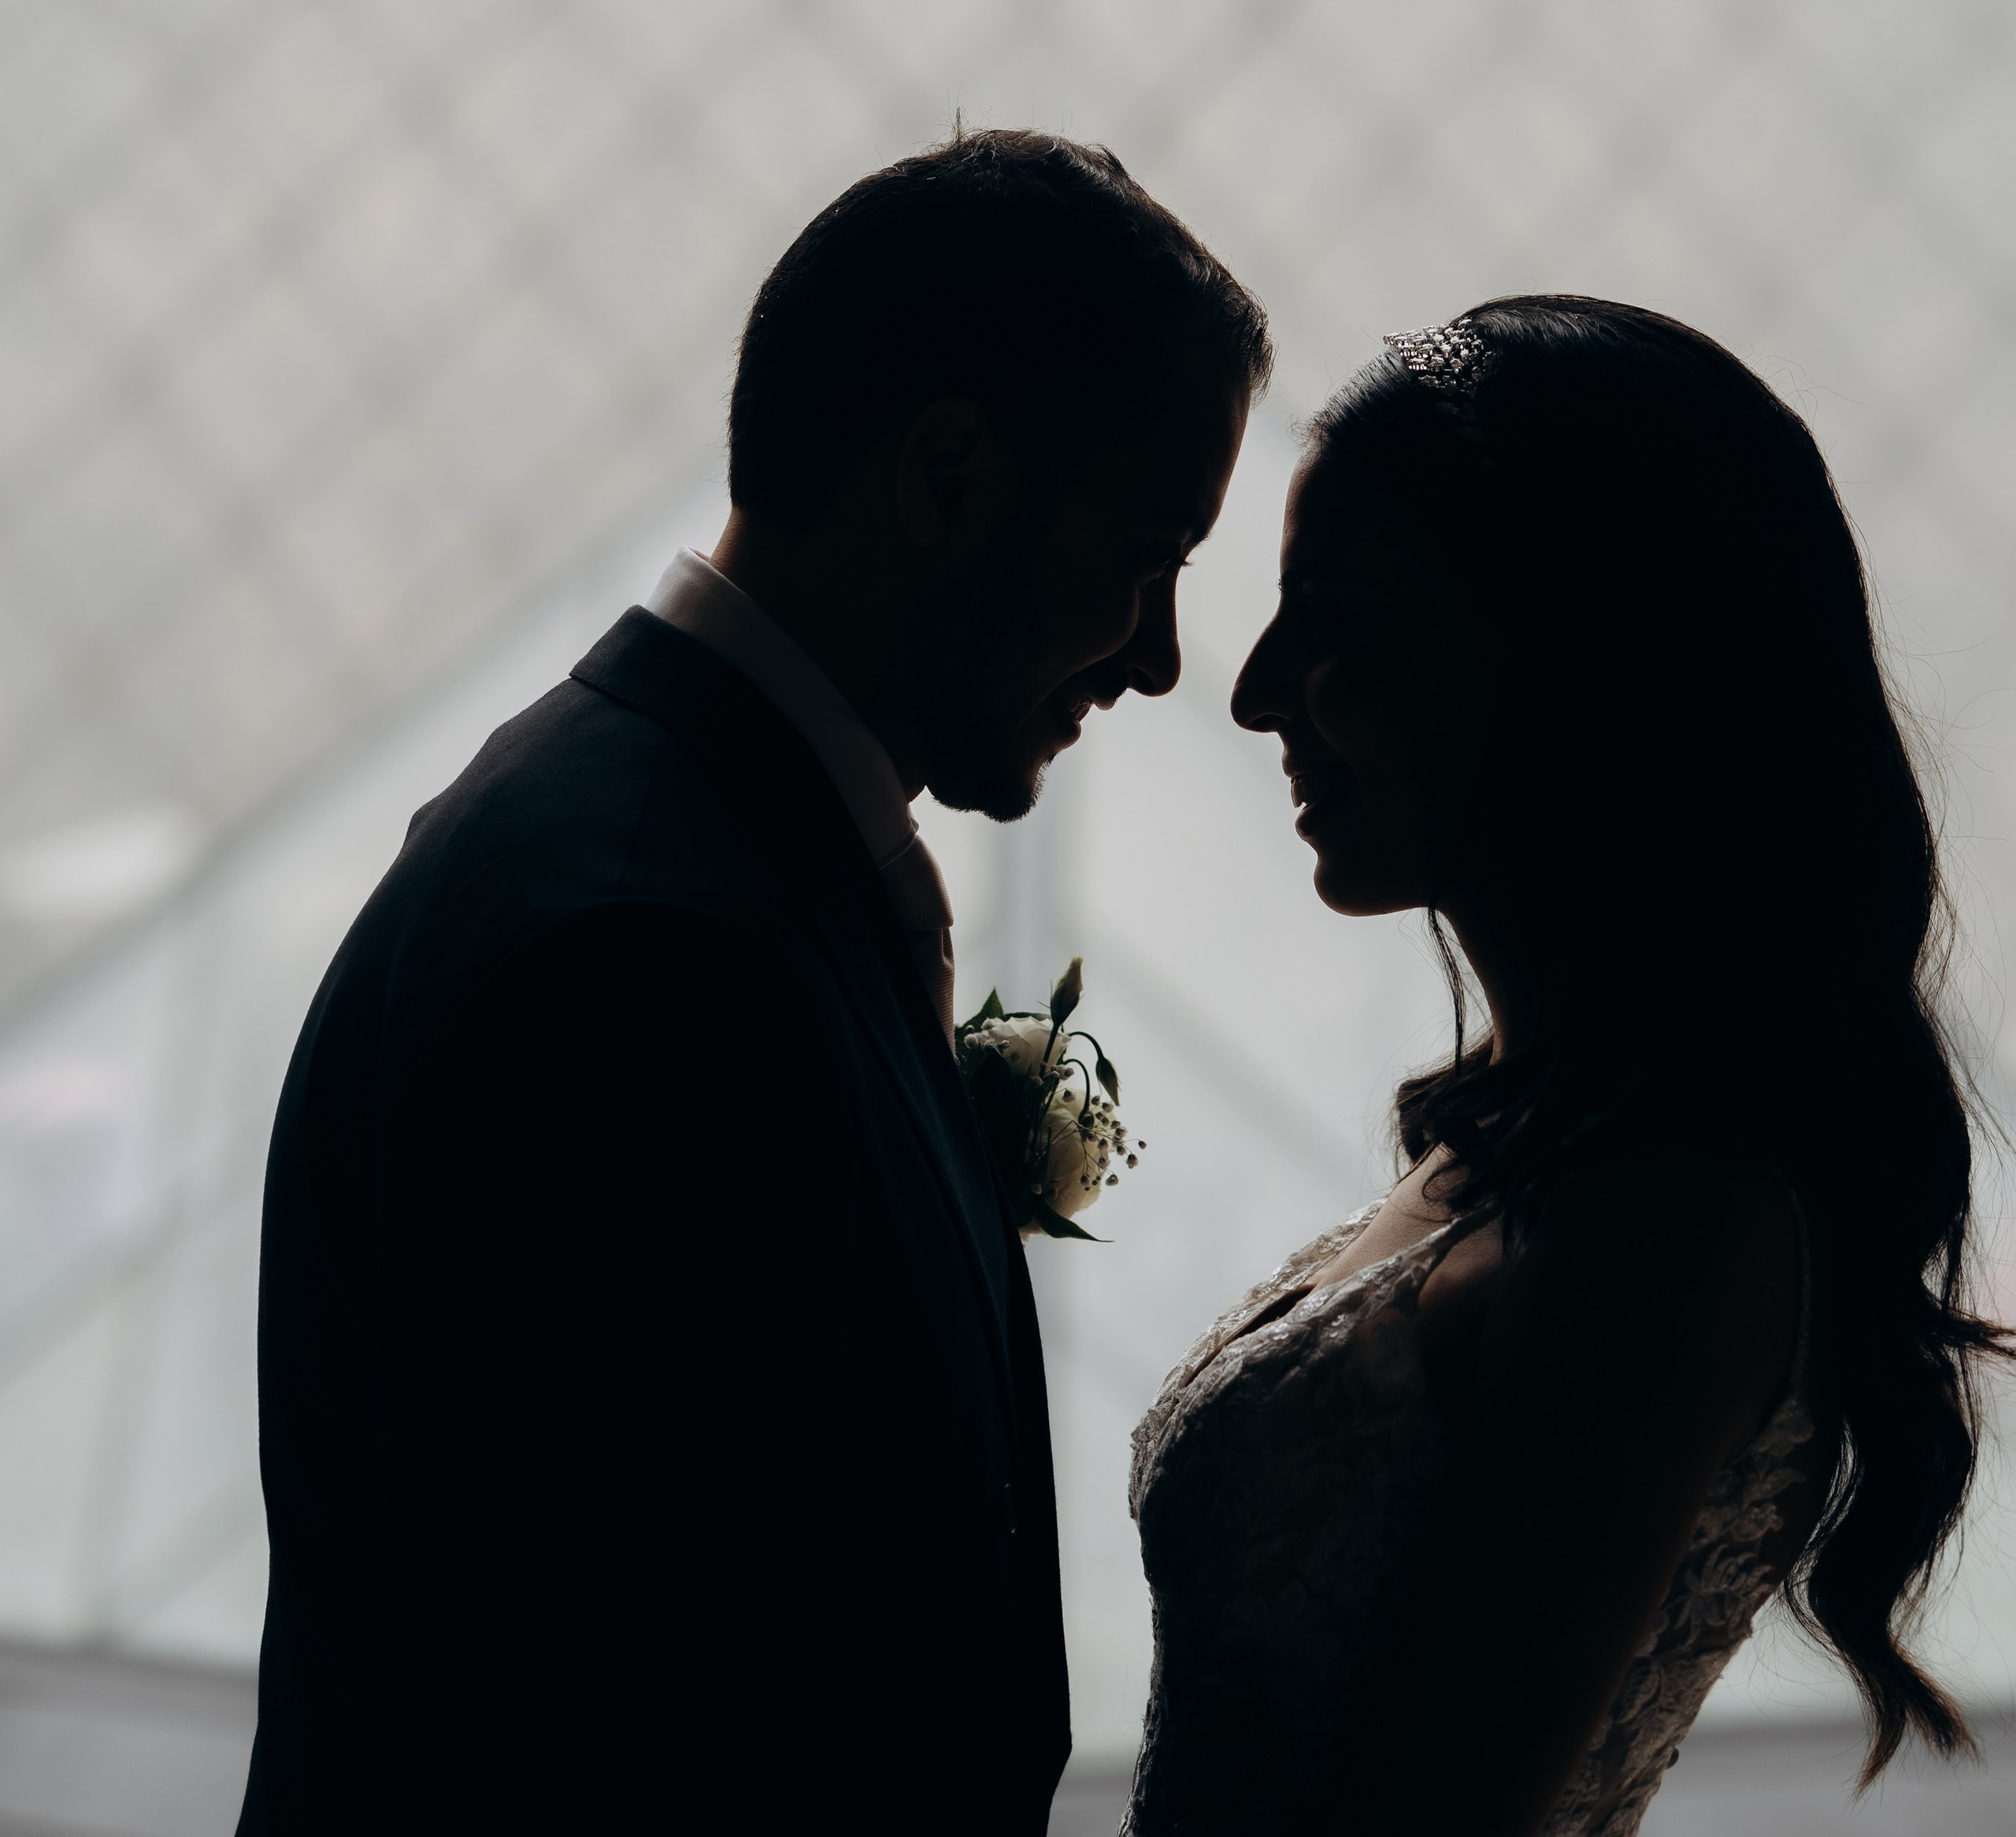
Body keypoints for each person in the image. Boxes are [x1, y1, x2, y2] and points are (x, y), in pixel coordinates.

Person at [236, 130, 1267, 1837]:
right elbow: (636, 1716)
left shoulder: (637, 840)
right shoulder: (650, 955)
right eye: (1149, 551)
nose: (1159, 657)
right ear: (944, 479)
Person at [1125, 295, 2007, 1837]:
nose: (1255, 689)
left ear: (1554, 657)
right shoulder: (1536, 1145)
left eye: (1327, 613)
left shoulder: (1662, 1229)